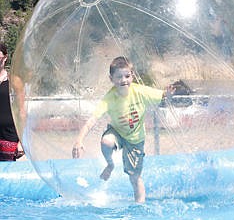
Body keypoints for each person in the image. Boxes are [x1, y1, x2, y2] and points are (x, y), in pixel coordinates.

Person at [72, 56, 174, 203]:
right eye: (119, 77)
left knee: (134, 177)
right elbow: (92, 120)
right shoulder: (110, 98)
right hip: (117, 132)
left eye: (127, 76)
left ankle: (139, 206)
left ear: (132, 76)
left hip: (135, 140)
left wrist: (168, 94)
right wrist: (79, 140)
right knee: (106, 141)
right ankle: (110, 164)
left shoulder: (140, 92)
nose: (124, 80)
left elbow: (162, 96)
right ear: (111, 79)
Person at [0, 42, 24, 161]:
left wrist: (21, 141)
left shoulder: (14, 81)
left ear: (5, 57)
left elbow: (22, 111)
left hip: (9, 136)